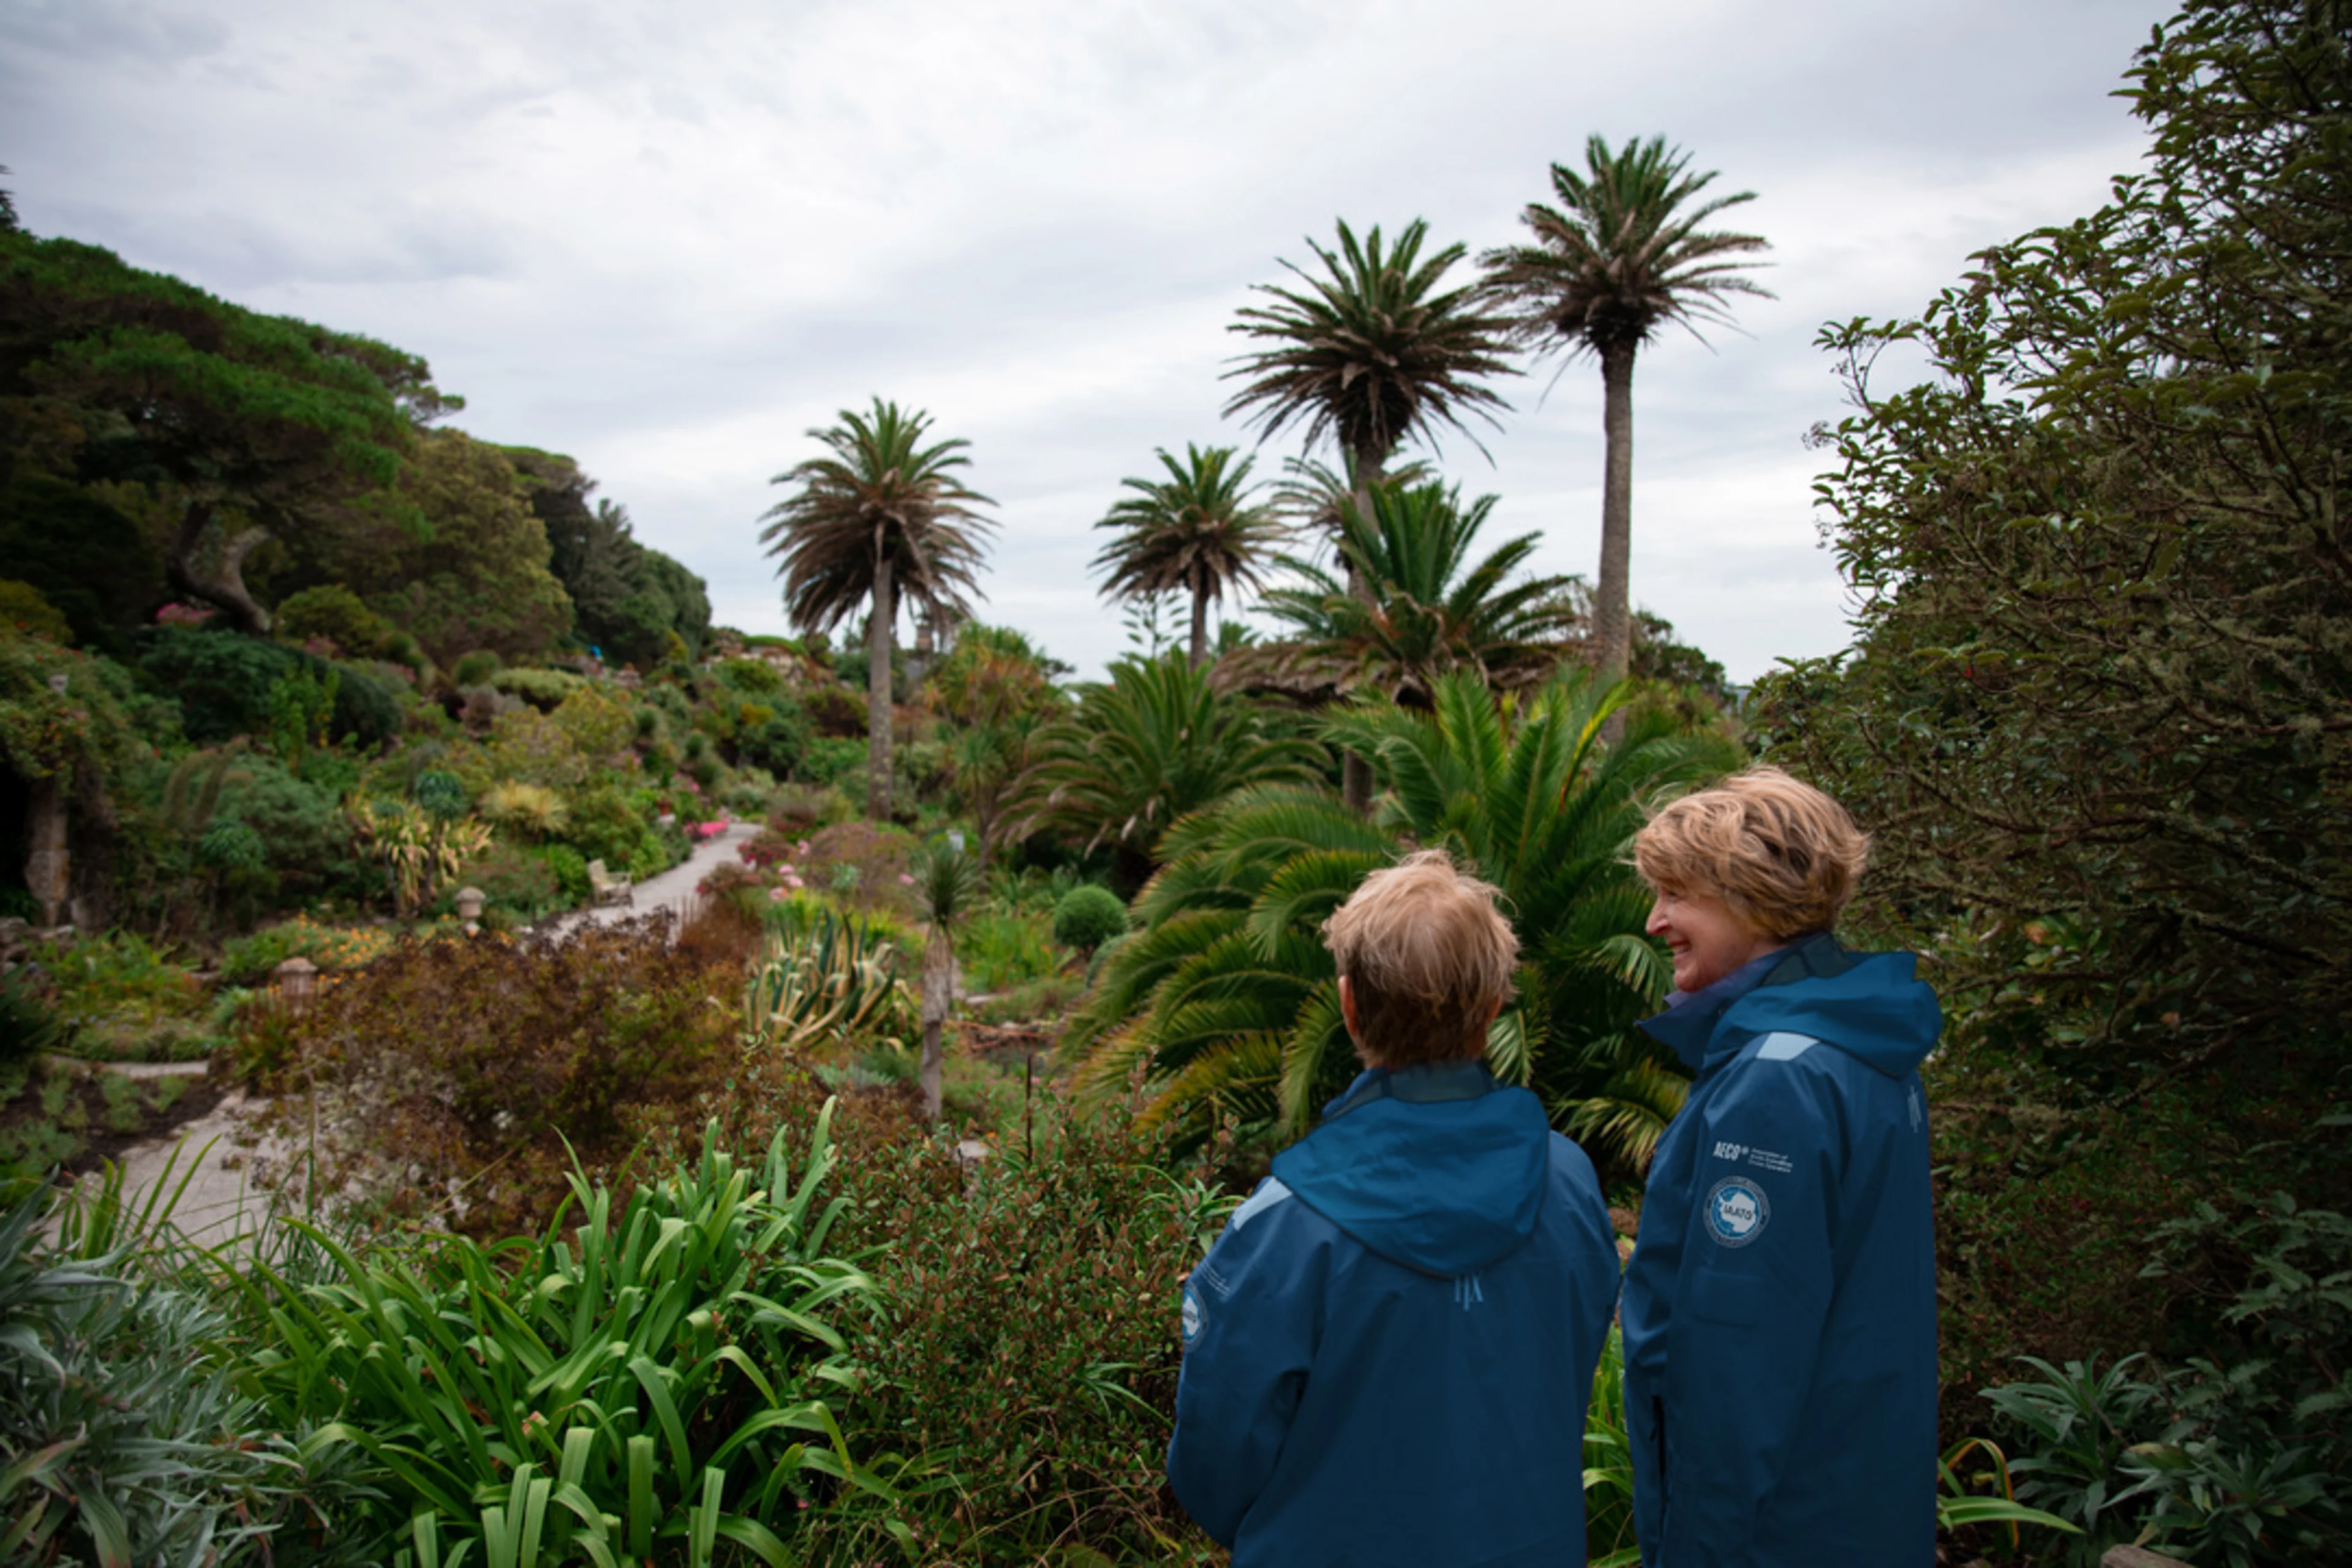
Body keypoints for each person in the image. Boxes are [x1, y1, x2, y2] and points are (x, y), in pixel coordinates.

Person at [1167, 850, 1619, 1567]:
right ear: (1494, 1007)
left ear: (1348, 1006)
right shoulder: (1567, 1180)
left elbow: (1217, 1451)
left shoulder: (1287, 1220)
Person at [1621, 767, 1942, 1567]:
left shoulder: (1778, 1080)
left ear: (1750, 897)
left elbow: (1734, 1362)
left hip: (1775, 1533)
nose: (1655, 920)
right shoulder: (1860, 1047)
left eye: (1676, 894)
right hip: (1854, 1507)